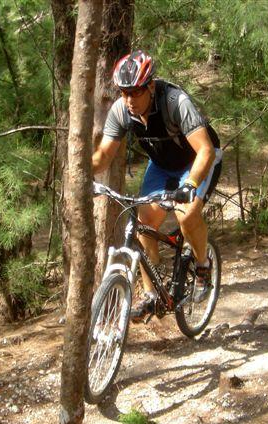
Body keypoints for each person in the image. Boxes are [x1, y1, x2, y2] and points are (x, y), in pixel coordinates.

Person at [92, 50, 222, 320]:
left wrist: (191, 185)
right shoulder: (122, 110)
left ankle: (202, 266)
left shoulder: (175, 102)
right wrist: (81, 172)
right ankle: (151, 295)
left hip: (198, 159)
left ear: (150, 86)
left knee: (186, 214)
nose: (129, 99)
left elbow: (206, 151)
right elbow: (104, 155)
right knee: (144, 223)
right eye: (123, 92)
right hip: (163, 166)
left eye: (135, 92)